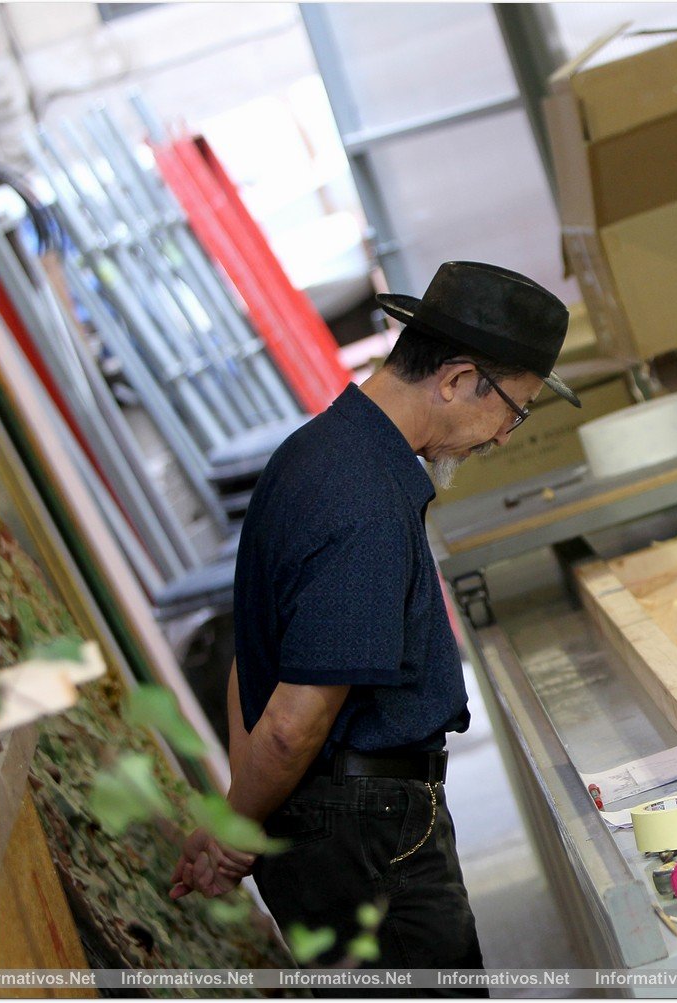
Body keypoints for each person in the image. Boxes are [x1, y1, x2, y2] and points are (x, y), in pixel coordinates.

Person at [169, 262, 580, 984]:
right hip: (365, 835)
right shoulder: (365, 502)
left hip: (328, 826)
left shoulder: (313, 453)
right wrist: (237, 821)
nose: (505, 437)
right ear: (456, 379)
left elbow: (249, 660)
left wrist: (244, 810)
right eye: (513, 410)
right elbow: (294, 722)